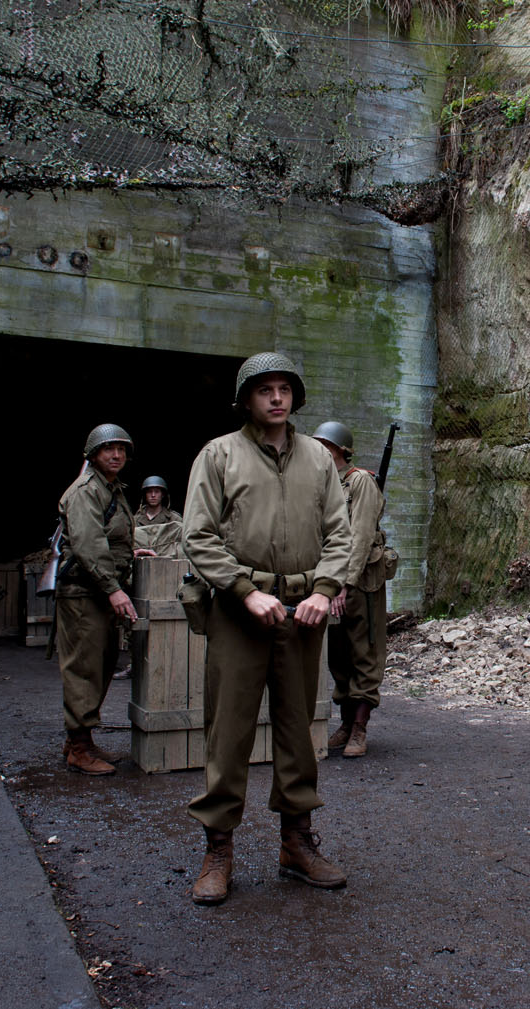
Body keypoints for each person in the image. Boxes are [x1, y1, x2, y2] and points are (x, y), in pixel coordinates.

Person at [181, 352, 352, 905]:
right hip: (239, 611)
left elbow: (340, 534)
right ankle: (218, 849)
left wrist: (325, 590)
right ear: (247, 399)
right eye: (264, 390)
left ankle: (296, 843)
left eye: (284, 389)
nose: (276, 398)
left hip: (302, 612)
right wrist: (244, 590)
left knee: (297, 729)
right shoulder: (219, 454)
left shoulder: (319, 460)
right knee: (227, 732)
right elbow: (199, 535)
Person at [54, 423, 139, 776]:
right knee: (85, 668)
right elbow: (89, 546)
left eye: (121, 449)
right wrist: (114, 588)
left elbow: (110, 537)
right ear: (93, 455)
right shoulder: (86, 491)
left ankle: (82, 740)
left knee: (100, 664)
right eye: (108, 449)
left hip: (98, 591)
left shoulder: (112, 490)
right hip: (85, 593)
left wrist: (131, 552)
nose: (116, 455)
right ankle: (77, 747)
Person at [314, 420, 392, 759]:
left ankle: (360, 727)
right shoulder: (324, 486)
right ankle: (345, 722)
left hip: (360, 583)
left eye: (326, 448)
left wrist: (344, 584)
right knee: (338, 655)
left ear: (341, 451)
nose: (321, 454)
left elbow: (359, 538)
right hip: (332, 583)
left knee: (365, 653)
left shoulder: (360, 482)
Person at [132, 476, 182, 559]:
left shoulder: (174, 519)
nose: (153, 495)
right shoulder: (134, 520)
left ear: (162, 495)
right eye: (149, 492)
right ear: (145, 495)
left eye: (157, 492)